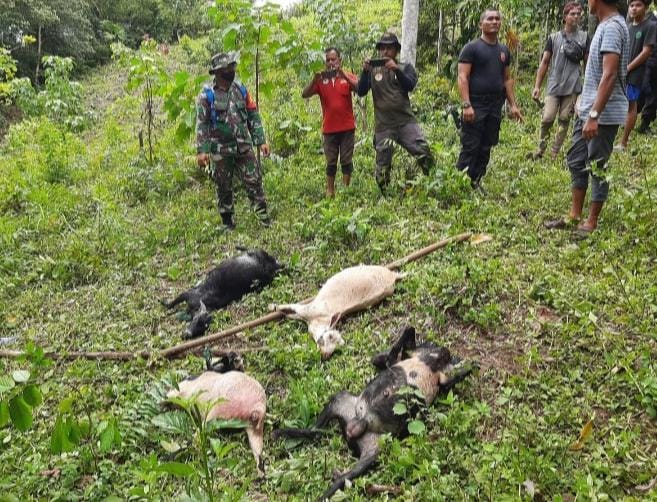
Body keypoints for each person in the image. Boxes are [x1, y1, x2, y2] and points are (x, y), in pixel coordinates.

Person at [545, 0, 629, 236]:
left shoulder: (612, 27)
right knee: (576, 159)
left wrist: (594, 115)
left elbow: (610, 74)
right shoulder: (604, 25)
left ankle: (591, 221)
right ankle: (574, 214)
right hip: (588, 109)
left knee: (597, 166)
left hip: (602, 113)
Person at [195, 52, 271, 230]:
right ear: (218, 71)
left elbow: (253, 114)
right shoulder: (207, 95)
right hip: (220, 150)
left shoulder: (240, 89)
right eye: (228, 67)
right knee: (223, 185)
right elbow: (202, 123)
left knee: (254, 180)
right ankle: (227, 221)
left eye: (233, 66)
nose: (232, 70)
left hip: (243, 145)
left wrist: (261, 141)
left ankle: (263, 217)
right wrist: (202, 150)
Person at [357, 32, 434, 194]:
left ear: (396, 50)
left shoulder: (405, 67)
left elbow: (410, 85)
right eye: (382, 48)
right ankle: (385, 194)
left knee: (423, 152)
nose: (385, 52)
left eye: (389, 48)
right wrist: (364, 72)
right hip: (384, 125)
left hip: (406, 121)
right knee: (383, 163)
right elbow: (361, 91)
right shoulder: (373, 70)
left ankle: (433, 183)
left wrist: (397, 70)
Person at [456, 9, 523, 187]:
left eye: (497, 19)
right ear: (481, 24)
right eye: (490, 18)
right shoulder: (471, 48)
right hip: (476, 103)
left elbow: (507, 79)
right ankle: (461, 183)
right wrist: (466, 104)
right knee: (471, 145)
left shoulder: (503, 50)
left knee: (486, 145)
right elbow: (463, 77)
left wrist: (513, 105)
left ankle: (476, 181)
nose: (494, 21)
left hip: (495, 104)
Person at [530, 2, 589, 160]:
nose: (576, 17)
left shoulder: (584, 37)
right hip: (554, 84)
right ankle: (541, 149)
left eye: (578, 14)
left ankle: (554, 152)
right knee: (547, 118)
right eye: (572, 14)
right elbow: (544, 62)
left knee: (564, 119)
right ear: (565, 17)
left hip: (573, 85)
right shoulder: (554, 37)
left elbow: (587, 63)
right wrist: (537, 86)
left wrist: (587, 88)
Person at [302, 47, 358, 197]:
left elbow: (359, 88)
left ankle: (346, 189)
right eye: (328, 60)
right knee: (331, 162)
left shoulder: (347, 76)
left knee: (346, 160)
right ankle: (330, 191)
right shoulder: (321, 80)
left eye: (334, 59)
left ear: (340, 60)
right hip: (329, 128)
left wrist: (343, 75)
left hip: (347, 127)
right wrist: (314, 80)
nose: (331, 62)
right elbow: (304, 94)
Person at [616, 0, 656, 149]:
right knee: (619, 103)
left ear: (645, 7)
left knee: (631, 106)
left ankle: (623, 142)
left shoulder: (650, 26)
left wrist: (628, 67)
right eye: (632, 5)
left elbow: (646, 52)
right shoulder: (627, 27)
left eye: (638, 5)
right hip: (622, 72)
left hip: (636, 73)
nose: (633, 9)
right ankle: (615, 137)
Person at [637, 8, 657, 132]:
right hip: (650, 61)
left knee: (653, 94)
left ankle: (645, 123)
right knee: (645, 90)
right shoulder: (650, 20)